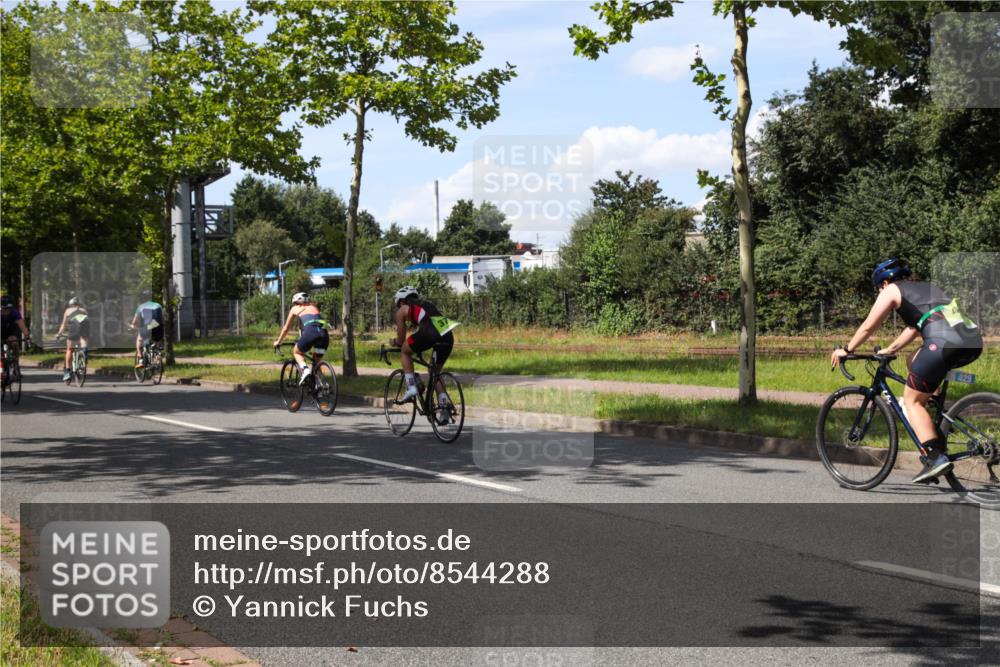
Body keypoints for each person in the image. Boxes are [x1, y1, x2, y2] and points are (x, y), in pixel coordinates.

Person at [830, 259, 983, 484]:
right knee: (914, 359)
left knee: (912, 401)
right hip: (971, 342)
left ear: (883, 282)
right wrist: (889, 350)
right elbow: (915, 327)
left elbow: (868, 326)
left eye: (878, 287)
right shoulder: (925, 288)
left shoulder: (891, 290)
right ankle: (936, 408)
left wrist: (846, 349)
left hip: (942, 342)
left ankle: (934, 457)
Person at [391, 286, 459, 421]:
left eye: (398, 304)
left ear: (402, 302)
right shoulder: (428, 304)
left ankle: (411, 387)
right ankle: (444, 408)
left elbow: (400, 340)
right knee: (435, 372)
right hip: (447, 334)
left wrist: (394, 342)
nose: (399, 308)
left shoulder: (403, 310)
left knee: (405, 350)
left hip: (430, 331)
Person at [273, 292, 329, 385]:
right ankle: (320, 386)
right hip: (324, 333)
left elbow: (286, 328)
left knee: (296, 351)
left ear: (296, 301)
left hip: (311, 332)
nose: (294, 305)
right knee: (316, 362)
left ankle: (305, 370)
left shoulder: (295, 308)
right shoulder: (314, 307)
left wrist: (278, 341)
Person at [55, 297, 90, 382]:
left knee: (70, 349)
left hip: (74, 328)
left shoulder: (68, 310)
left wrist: (59, 334)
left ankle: (67, 372)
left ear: (70, 305)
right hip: (85, 325)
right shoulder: (84, 310)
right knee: (83, 338)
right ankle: (84, 349)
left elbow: (64, 324)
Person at [130, 296, 164, 367]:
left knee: (139, 339)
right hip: (158, 326)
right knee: (156, 342)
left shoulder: (140, 307)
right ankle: (158, 360)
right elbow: (162, 317)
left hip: (149, 326)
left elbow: (134, 321)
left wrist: (132, 326)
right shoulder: (158, 305)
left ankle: (141, 359)